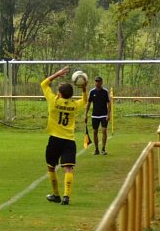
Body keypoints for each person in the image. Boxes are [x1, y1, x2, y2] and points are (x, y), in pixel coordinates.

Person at [41, 66, 87, 206]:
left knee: (51, 167)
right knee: (68, 168)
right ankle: (66, 196)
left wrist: (57, 74)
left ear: (60, 94)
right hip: (69, 141)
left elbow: (43, 84)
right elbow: (85, 100)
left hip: (55, 139)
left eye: (58, 90)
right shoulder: (73, 105)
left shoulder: (54, 102)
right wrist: (84, 88)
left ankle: (56, 195)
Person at [85, 76, 111, 155]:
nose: (97, 83)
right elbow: (88, 104)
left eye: (99, 81)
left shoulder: (105, 91)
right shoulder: (92, 92)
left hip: (104, 114)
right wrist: (85, 114)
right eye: (96, 81)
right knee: (95, 132)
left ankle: (103, 149)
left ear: (101, 82)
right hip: (95, 115)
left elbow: (109, 103)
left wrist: (108, 114)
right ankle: (96, 149)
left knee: (104, 131)